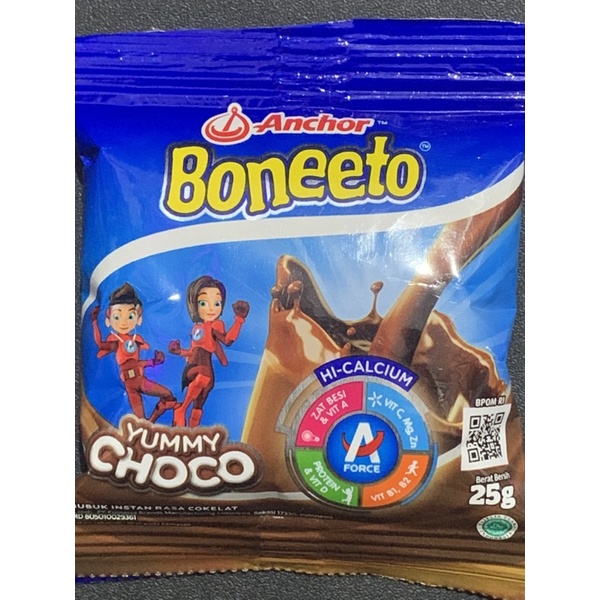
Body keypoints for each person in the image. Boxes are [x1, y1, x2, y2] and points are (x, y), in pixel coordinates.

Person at [91, 282, 179, 422]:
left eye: (130, 316)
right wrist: (95, 322)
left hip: (142, 380)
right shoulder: (116, 342)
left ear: (138, 318)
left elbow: (138, 363)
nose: (124, 322)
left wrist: (154, 362)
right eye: (117, 317)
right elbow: (100, 344)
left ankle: (153, 419)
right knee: (140, 420)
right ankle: (149, 425)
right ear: (108, 318)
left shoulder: (137, 340)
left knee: (168, 395)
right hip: (129, 385)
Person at [169, 275, 250, 427]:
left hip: (207, 368)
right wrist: (179, 352)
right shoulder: (197, 328)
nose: (211, 308)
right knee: (202, 376)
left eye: (217, 303)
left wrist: (239, 320)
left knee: (200, 402)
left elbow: (227, 340)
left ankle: (192, 431)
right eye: (203, 303)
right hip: (194, 367)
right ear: (194, 305)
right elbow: (193, 350)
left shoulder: (216, 325)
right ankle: (182, 408)